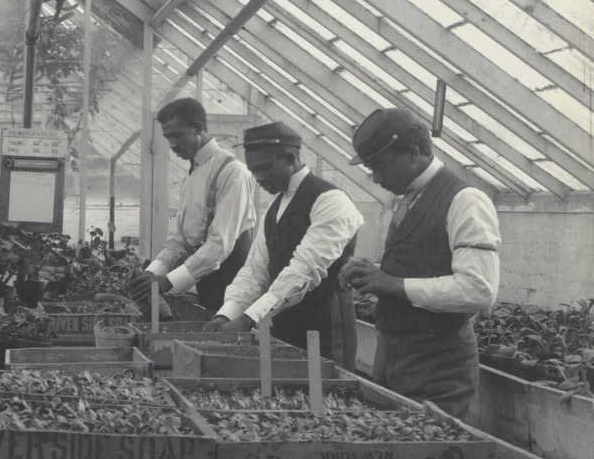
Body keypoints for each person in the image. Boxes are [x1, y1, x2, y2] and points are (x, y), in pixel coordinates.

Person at [341, 108, 500, 418]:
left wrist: (392, 284)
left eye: (380, 166)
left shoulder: (466, 201)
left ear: (413, 154)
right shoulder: (410, 196)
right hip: (393, 360)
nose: (376, 178)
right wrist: (374, 272)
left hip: (438, 371)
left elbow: (479, 289)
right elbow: (420, 262)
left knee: (428, 446)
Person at [204, 122, 363, 371]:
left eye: (264, 168)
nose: (258, 178)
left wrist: (249, 317)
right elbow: (255, 269)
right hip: (284, 325)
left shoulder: (331, 201)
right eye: (253, 170)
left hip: (326, 330)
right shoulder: (275, 208)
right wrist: (227, 313)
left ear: (290, 158)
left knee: (325, 389)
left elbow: (304, 269)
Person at [126, 97, 256, 315]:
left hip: (233, 284)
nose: (172, 145)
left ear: (197, 128)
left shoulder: (232, 172)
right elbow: (180, 240)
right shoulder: (192, 174)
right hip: (207, 282)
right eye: (168, 138)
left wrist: (168, 281)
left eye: (177, 136)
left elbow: (219, 244)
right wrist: (152, 272)